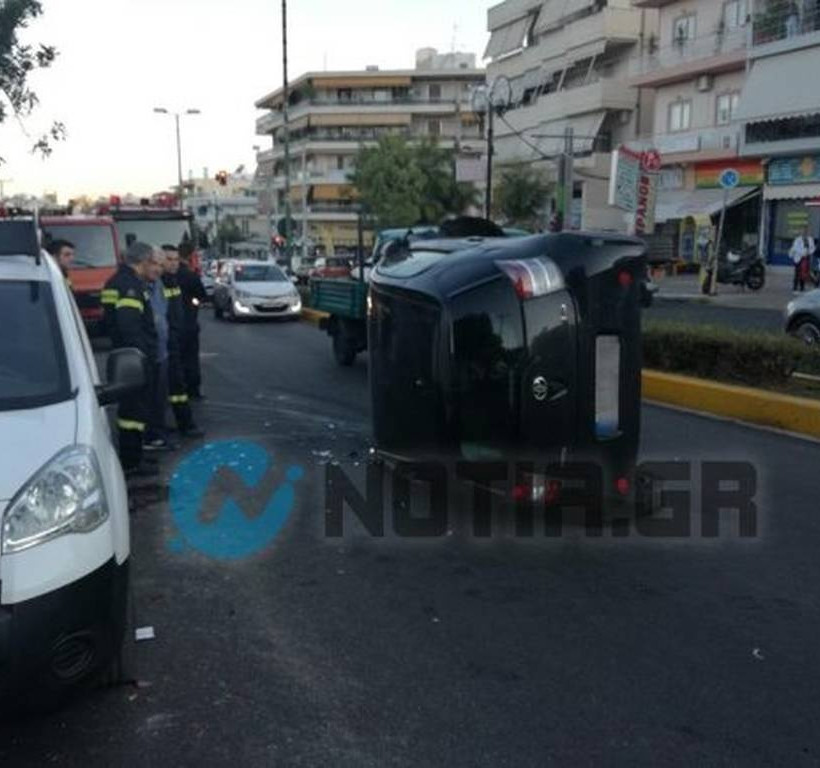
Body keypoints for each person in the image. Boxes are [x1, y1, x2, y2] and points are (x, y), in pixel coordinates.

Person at [102, 242, 159, 474]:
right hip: (133, 360)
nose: (153, 267)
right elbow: (130, 326)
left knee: (131, 410)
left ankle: (133, 457)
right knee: (134, 412)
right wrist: (144, 354)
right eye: (152, 262)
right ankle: (132, 462)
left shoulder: (116, 281)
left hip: (124, 355)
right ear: (143, 261)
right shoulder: (130, 286)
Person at [162, 245, 204, 437]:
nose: (173, 263)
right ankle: (185, 416)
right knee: (184, 367)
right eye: (169, 259)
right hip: (175, 333)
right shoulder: (164, 281)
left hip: (180, 330)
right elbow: (200, 296)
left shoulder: (171, 280)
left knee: (181, 369)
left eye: (175, 259)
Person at [144, 250, 174, 451]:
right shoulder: (140, 287)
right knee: (149, 398)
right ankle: (151, 436)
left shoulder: (158, 285)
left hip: (161, 350)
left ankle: (157, 433)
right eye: (155, 264)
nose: (159, 269)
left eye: (160, 265)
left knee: (159, 397)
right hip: (149, 351)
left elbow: (163, 313)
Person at [177, 241, 207, 400]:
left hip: (172, 325)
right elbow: (202, 295)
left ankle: (177, 388)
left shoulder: (166, 276)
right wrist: (195, 301)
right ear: (190, 255)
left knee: (176, 359)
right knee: (190, 359)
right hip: (189, 322)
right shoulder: (190, 275)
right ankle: (193, 390)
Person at [789, 227, 814, 293]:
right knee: (797, 273)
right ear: (801, 232)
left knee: (804, 273)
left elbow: (812, 248)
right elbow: (795, 248)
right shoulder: (797, 240)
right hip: (799, 258)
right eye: (803, 231)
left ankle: (802, 287)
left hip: (806, 258)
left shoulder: (810, 239)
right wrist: (802, 253)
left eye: (806, 231)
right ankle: (795, 288)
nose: (804, 233)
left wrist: (809, 252)